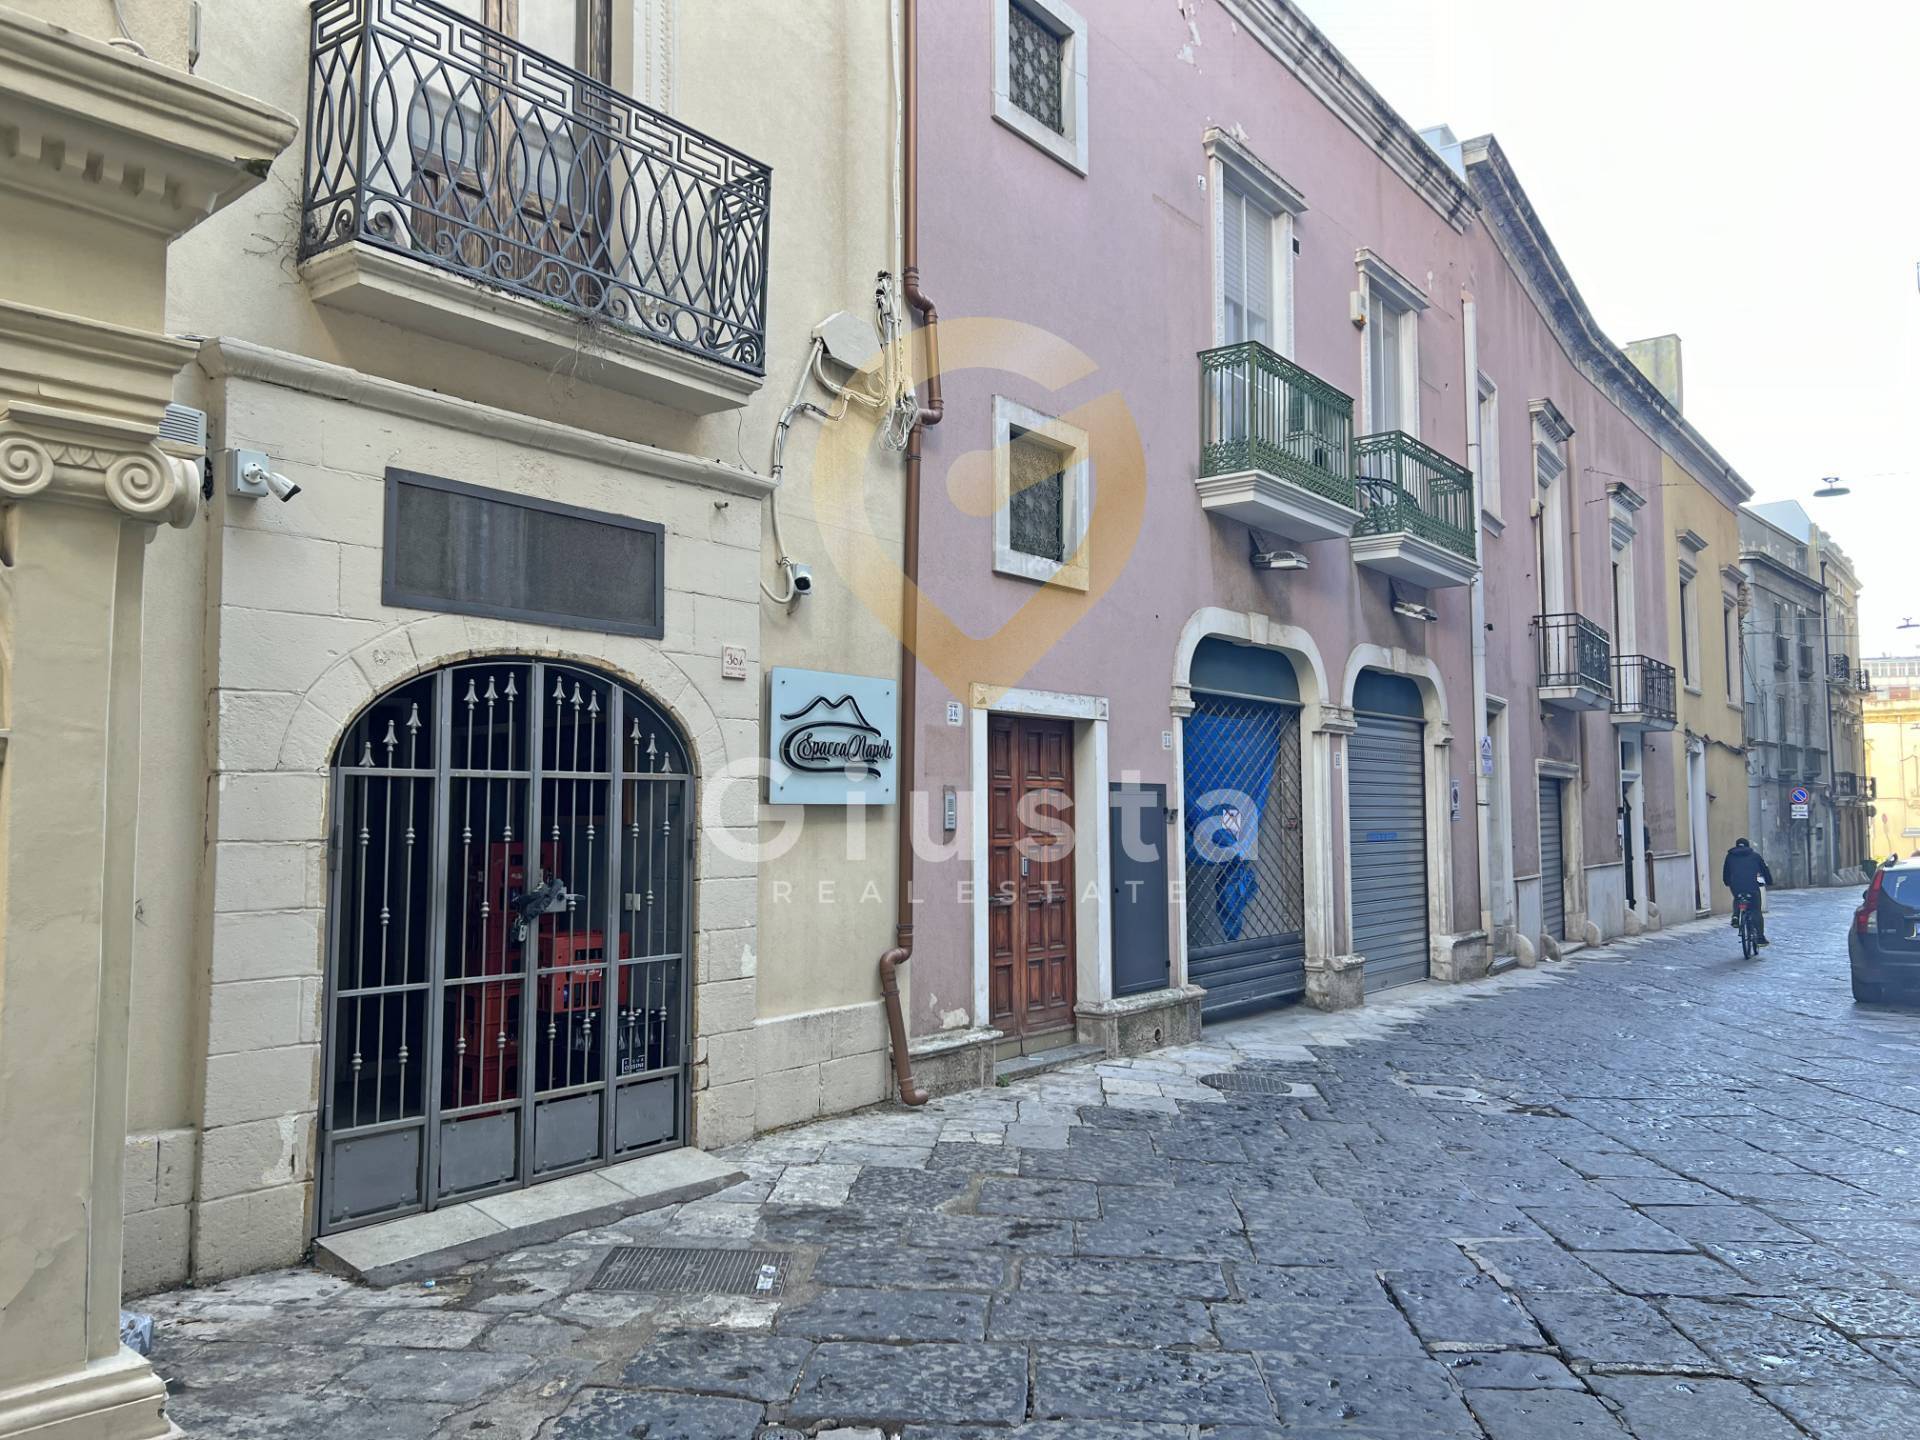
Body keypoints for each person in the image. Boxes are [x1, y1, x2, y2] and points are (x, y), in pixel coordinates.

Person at [1722, 837, 1774, 947]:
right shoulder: (1755, 856)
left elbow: (1726, 872)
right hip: (1752, 886)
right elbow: (1764, 870)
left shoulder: (1730, 856)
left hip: (1736, 886)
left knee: (1738, 897)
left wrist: (1727, 882)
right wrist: (1769, 881)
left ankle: (1736, 916)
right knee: (1756, 910)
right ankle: (1760, 938)